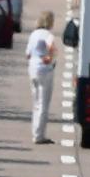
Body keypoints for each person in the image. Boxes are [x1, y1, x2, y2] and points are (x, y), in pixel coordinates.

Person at [26, 11, 56, 144]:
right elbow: (52, 47)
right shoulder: (48, 35)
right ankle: (39, 135)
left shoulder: (33, 34)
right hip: (45, 70)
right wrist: (49, 57)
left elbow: (27, 54)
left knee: (36, 102)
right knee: (44, 103)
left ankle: (35, 132)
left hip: (32, 70)